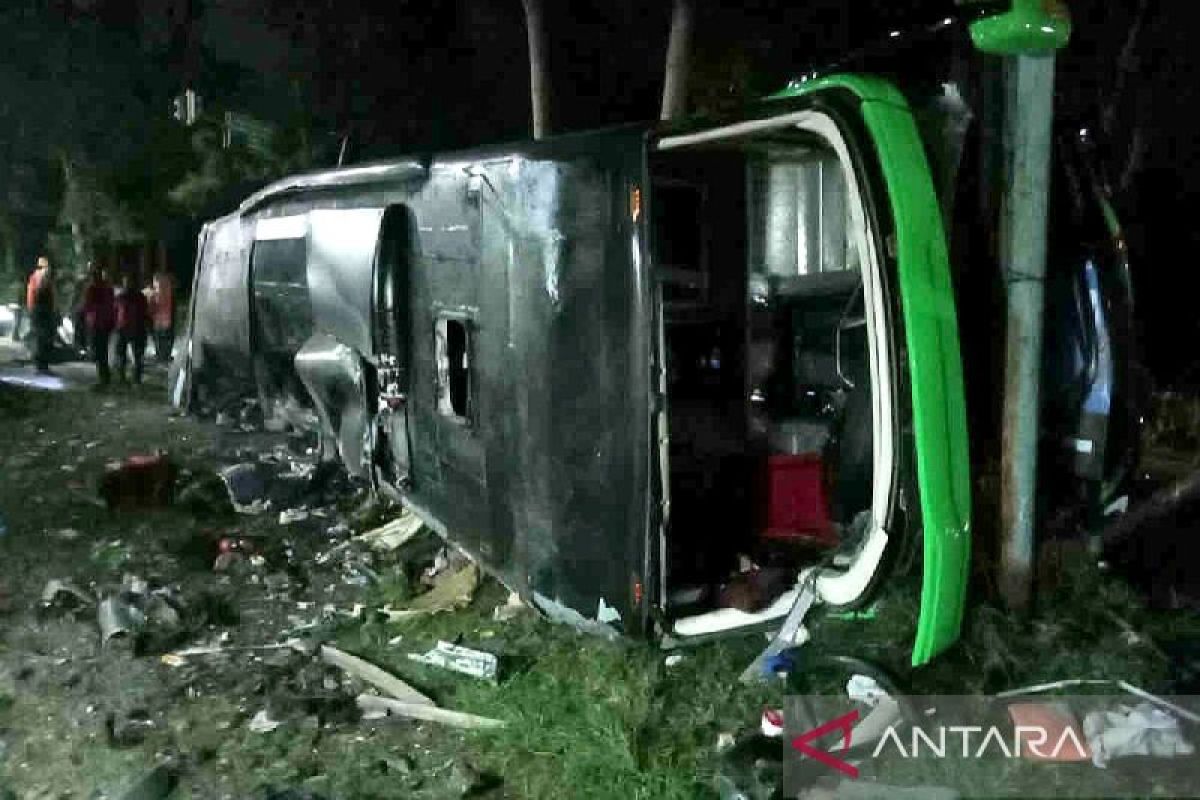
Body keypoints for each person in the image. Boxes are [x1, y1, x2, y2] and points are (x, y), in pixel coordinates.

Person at [81, 265, 116, 386]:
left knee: (98, 351)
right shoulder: (108, 288)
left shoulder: (92, 289)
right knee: (103, 351)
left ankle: (104, 378)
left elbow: (87, 306)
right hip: (105, 323)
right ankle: (105, 377)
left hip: (97, 323)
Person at [115, 271, 148, 384]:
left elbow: (144, 313)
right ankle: (126, 378)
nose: (127, 284)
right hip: (126, 328)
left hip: (134, 328)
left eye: (128, 282)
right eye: (126, 282)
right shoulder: (122, 297)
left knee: (135, 356)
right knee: (123, 355)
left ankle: (133, 378)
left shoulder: (137, 297)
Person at [26, 256, 56, 373]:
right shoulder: (41, 277)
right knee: (43, 337)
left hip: (37, 310)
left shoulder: (33, 278)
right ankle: (41, 365)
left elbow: (32, 296)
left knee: (40, 337)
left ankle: (41, 364)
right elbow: (41, 294)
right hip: (42, 310)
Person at [149, 269, 174, 364]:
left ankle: (161, 355)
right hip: (165, 319)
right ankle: (165, 355)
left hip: (159, 320)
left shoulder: (155, 293)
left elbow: (152, 306)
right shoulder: (167, 290)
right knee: (164, 338)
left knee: (159, 338)